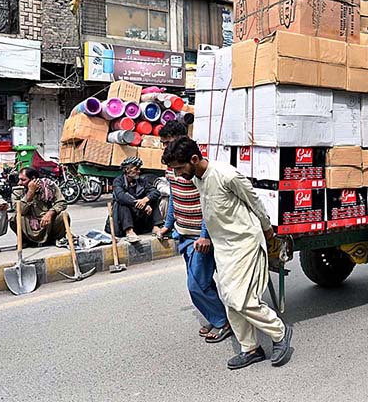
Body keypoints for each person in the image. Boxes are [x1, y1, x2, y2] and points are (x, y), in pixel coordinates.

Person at [162, 137, 293, 370]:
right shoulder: (197, 179)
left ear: (194, 159)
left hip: (244, 242)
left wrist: (267, 229)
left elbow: (254, 200)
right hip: (223, 247)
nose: (178, 174)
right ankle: (250, 348)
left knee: (239, 298)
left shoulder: (226, 175)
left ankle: (279, 331)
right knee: (230, 300)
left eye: (180, 168)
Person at [158, 121, 231, 344]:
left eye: (168, 143)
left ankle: (223, 322)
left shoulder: (193, 167)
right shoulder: (173, 166)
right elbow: (174, 197)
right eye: (163, 145)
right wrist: (168, 224)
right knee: (202, 282)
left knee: (195, 284)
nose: (165, 149)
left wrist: (205, 235)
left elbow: (208, 203)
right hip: (183, 232)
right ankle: (216, 315)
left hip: (199, 236)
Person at [107, 157, 164, 243]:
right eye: (136, 169)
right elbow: (121, 196)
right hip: (123, 221)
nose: (139, 171)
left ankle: (156, 227)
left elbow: (155, 192)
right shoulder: (118, 181)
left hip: (138, 219)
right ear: (127, 169)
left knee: (152, 199)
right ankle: (129, 231)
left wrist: (145, 199)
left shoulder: (141, 181)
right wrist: (142, 205)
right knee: (121, 203)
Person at [10, 168, 68, 246]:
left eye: (23, 180)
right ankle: (26, 241)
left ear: (33, 179)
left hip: (47, 223)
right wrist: (30, 193)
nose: (19, 183)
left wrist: (51, 213)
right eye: (19, 179)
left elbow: (61, 202)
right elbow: (21, 210)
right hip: (29, 224)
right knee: (15, 218)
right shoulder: (18, 191)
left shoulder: (48, 185)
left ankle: (55, 239)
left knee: (63, 215)